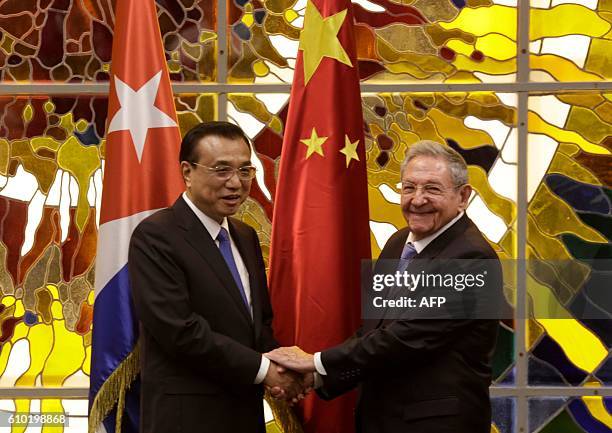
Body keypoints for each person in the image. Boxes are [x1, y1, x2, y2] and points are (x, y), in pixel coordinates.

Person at [267, 140, 502, 433]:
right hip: (381, 420)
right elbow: (374, 331)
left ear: (463, 196)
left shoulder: (472, 258)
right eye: (408, 187)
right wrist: (317, 378)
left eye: (432, 189)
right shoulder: (396, 244)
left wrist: (315, 362)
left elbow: (407, 337)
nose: (417, 200)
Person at [129, 121, 309, 433]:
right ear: (187, 172)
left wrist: (286, 366)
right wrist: (265, 369)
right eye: (221, 170)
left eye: (245, 171)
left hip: (243, 413)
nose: (236, 183)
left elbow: (258, 323)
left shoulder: (245, 235)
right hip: (187, 418)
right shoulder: (156, 236)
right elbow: (180, 330)